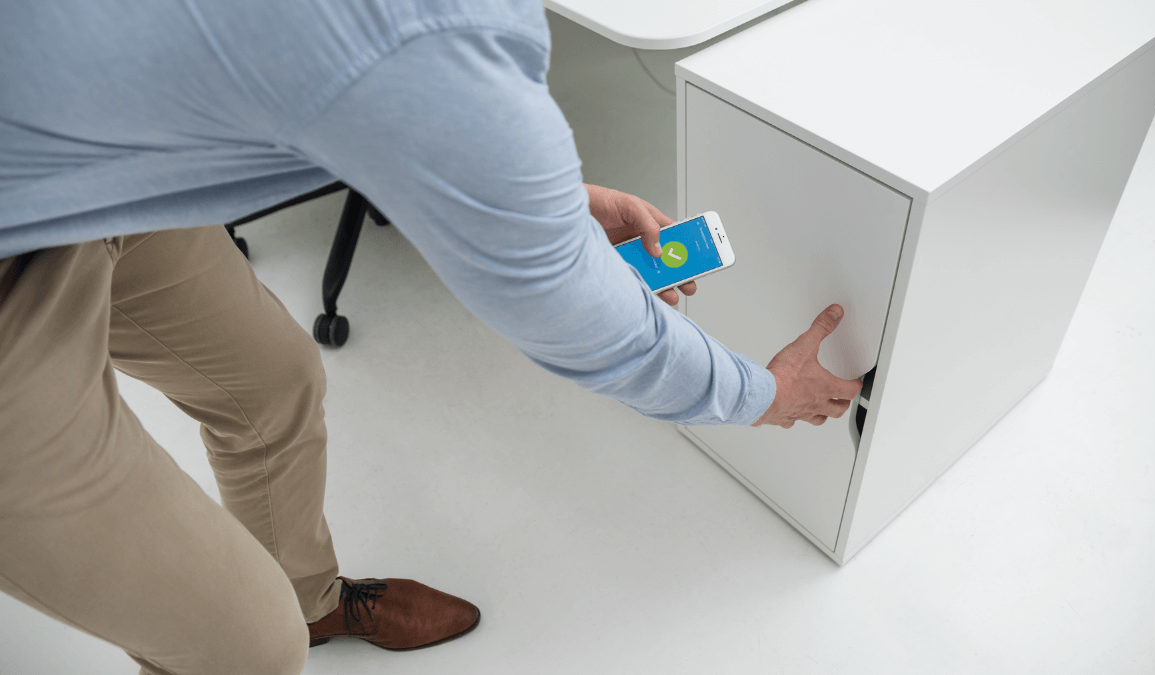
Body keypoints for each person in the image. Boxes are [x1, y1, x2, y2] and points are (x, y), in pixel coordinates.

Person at [0, 1, 864, 673]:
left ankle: (312, 596)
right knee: (247, 649)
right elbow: (592, 326)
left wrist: (520, 191)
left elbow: (319, 71)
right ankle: (278, 627)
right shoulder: (430, 32)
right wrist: (763, 393)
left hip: (85, 171)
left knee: (272, 380)